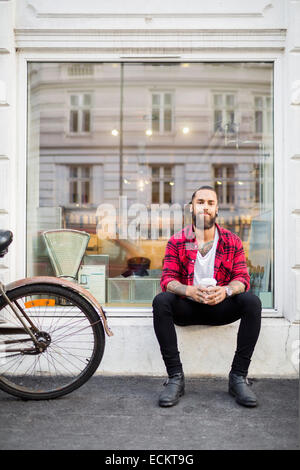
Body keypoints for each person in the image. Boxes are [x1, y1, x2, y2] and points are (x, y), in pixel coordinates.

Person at [152, 186, 262, 408]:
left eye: (211, 203)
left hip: (220, 307)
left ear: (217, 209)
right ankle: (175, 377)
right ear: (192, 207)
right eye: (200, 202)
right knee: (161, 301)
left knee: (252, 301)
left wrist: (226, 291)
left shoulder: (232, 241)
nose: (205, 207)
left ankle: (238, 377)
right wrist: (188, 290)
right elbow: (167, 280)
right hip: (188, 308)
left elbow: (242, 278)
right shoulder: (177, 241)